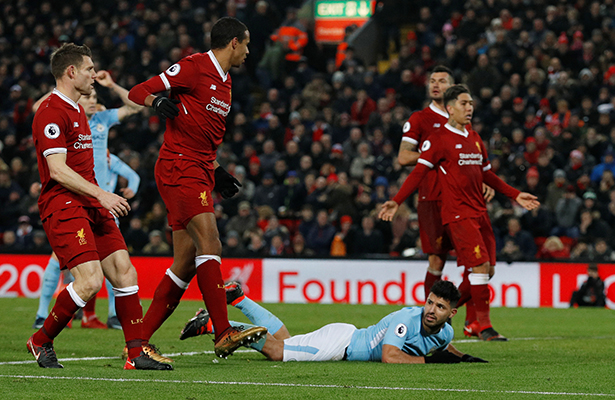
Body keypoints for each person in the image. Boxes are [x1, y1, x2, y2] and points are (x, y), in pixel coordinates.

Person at [127, 17, 266, 359]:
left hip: (200, 167)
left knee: (185, 263)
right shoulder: (193, 67)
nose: (248, 52)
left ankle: (138, 343)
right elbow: (138, 91)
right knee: (211, 242)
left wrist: (217, 171)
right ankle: (223, 332)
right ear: (233, 42)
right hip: (180, 166)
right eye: (247, 44)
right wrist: (156, 102)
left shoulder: (226, 81)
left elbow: (200, 132)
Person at [29, 43, 170, 370]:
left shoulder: (81, 111)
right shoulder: (51, 112)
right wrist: (102, 194)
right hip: (64, 204)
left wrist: (98, 197)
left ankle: (135, 353)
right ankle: (40, 340)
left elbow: (131, 108)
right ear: (71, 72)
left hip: (91, 203)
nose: (94, 74)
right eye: (89, 69)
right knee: (90, 281)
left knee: (124, 270)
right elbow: (57, 170)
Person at [380, 85, 540, 341]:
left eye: (471, 104)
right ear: (450, 108)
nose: (469, 108)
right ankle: (483, 326)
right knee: (479, 267)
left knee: (487, 271)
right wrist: (396, 201)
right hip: (458, 213)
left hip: (480, 212)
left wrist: (515, 194)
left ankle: (437, 312)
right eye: (464, 103)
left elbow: (487, 174)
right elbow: (419, 172)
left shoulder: (475, 138)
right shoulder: (438, 139)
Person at [32, 71, 142, 331]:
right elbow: (38, 109)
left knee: (118, 264)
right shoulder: (65, 116)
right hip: (74, 199)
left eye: (95, 97)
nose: (93, 100)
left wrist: (112, 85)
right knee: (66, 264)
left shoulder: (102, 119)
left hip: (104, 203)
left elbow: (136, 106)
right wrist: (63, 87)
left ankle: (114, 317)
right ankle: (42, 316)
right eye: (88, 96)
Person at [396, 66, 494, 332]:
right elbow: (403, 156)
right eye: (432, 81)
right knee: (437, 261)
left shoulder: (463, 122)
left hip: (463, 200)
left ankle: (472, 321)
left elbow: (471, 160)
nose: (435, 85)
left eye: (442, 81)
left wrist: (482, 180)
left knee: (476, 263)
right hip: (431, 199)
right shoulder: (419, 119)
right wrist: (438, 154)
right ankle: (431, 316)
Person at [180, 280, 487, 364]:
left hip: (343, 337)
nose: (431, 310)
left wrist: (464, 358)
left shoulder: (445, 332)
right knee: (276, 351)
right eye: (430, 302)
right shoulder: (407, 318)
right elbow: (390, 356)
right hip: (340, 345)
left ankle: (239, 298)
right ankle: (214, 324)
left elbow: (446, 345)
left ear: (451, 313)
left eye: (440, 307)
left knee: (284, 340)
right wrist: (430, 362)